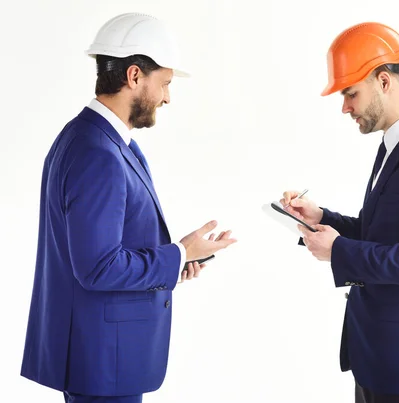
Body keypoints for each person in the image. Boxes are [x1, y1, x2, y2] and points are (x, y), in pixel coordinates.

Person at [20, 13, 237, 403]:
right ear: (134, 76)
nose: (168, 97)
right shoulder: (97, 153)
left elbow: (99, 253)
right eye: (165, 84)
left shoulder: (98, 140)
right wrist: (180, 252)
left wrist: (172, 266)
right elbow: (98, 267)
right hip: (104, 364)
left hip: (101, 358)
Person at [281, 22, 399, 403]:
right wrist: (322, 218)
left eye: (350, 93)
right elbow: (381, 234)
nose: (344, 107)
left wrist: (339, 251)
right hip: (382, 354)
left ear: (383, 81)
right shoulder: (394, 147)